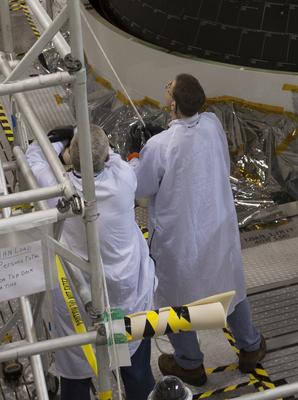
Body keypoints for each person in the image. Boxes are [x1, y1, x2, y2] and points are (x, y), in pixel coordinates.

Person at [129, 74, 266, 387]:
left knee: (178, 299)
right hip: (217, 230)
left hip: (180, 239)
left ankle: (190, 363)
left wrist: (136, 155)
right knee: (230, 287)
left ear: (174, 104)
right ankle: (250, 347)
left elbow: (141, 187)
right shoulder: (213, 125)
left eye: (168, 87)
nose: (165, 88)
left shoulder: (159, 146)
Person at [25, 124, 156, 400]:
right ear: (106, 157)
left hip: (77, 302)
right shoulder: (122, 181)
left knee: (77, 368)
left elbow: (34, 156)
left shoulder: (56, 191)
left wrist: (61, 142)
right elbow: (115, 157)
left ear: (72, 157)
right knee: (131, 364)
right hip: (123, 294)